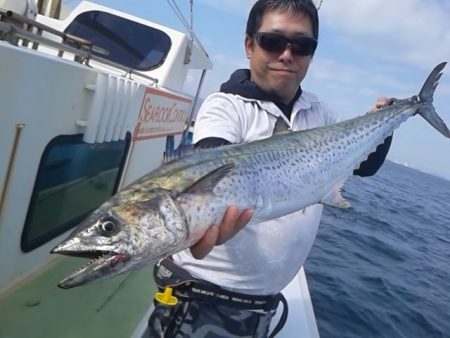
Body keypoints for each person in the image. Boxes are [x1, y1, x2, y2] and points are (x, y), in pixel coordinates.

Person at [147, 0, 392, 337]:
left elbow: (362, 167)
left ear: (312, 53)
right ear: (250, 44)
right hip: (205, 295)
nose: (287, 55)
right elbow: (212, 157)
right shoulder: (227, 106)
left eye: (302, 45)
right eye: (273, 42)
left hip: (263, 305)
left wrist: (384, 122)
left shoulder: (319, 111)